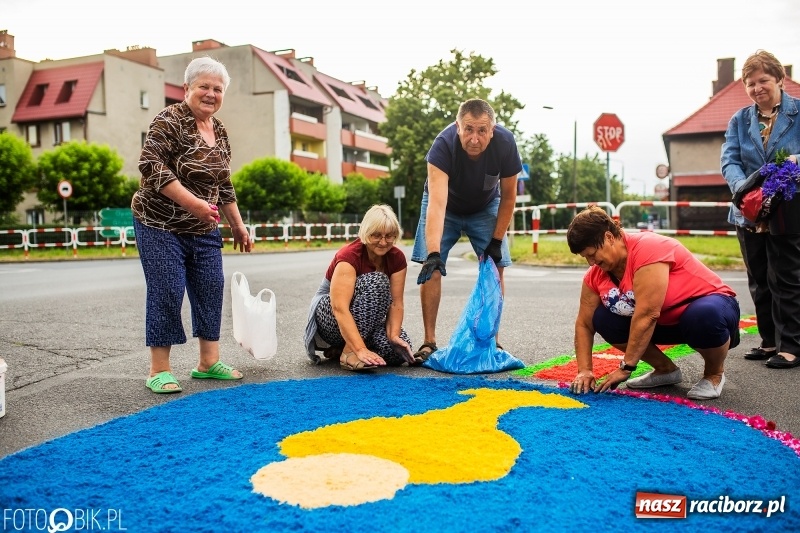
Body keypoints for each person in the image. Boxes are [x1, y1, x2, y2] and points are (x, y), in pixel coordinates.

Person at [132, 56, 252, 394]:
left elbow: (223, 183)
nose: (211, 94)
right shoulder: (169, 120)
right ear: (187, 88)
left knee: (211, 287)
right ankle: (159, 369)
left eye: (218, 88)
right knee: (167, 288)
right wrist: (193, 203)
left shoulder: (220, 130)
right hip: (159, 222)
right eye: (204, 86)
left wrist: (238, 225)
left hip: (203, 226)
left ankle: (208, 363)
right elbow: (150, 165)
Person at [566, 206, 740, 400]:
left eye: (592, 254)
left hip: (714, 312)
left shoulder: (647, 248)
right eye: (585, 257)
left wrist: (626, 367)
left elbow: (648, 314)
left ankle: (714, 374)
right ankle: (665, 369)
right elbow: (584, 324)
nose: (591, 262)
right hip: (664, 323)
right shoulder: (595, 274)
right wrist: (585, 370)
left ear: (609, 237)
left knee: (703, 315)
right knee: (602, 318)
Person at [412, 98, 522, 361]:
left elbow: (508, 197)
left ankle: (491, 341)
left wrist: (496, 241)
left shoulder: (505, 143)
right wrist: (434, 253)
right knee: (431, 266)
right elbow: (437, 204)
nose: (475, 138)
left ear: (492, 130)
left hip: (485, 206)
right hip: (446, 206)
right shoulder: (442, 146)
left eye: (482, 130)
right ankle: (429, 342)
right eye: (469, 129)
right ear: (458, 126)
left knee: (495, 267)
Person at [721, 50, 800, 369]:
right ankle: (769, 342)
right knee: (758, 280)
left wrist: (794, 164)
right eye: (750, 83)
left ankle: (792, 346)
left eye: (763, 80)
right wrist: (745, 189)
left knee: (787, 278)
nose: (757, 88)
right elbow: (729, 160)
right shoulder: (739, 119)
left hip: (788, 209)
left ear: (780, 79)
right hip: (748, 211)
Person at [304, 204, 415, 371]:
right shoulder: (349, 255)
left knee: (397, 352)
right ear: (365, 233)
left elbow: (395, 303)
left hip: (367, 320)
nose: (383, 242)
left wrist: (393, 335)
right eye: (376, 236)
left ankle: (344, 348)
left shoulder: (397, 258)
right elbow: (339, 307)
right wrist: (359, 349)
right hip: (330, 318)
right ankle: (349, 352)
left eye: (389, 236)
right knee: (377, 281)